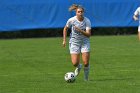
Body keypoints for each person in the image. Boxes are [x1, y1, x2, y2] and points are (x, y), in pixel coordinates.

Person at [62, 4, 91, 81]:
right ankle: (78, 66)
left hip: (85, 42)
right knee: (75, 63)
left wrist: (80, 30)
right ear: (76, 12)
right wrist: (64, 40)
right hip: (74, 42)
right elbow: (65, 29)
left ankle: (86, 79)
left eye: (81, 12)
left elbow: (88, 35)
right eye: (78, 12)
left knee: (86, 63)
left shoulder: (87, 21)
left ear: (83, 12)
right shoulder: (71, 20)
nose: (80, 13)